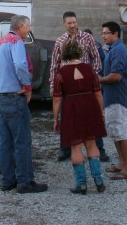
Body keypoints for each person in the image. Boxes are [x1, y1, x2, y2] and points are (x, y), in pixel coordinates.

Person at [0, 15, 48, 193]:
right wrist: (27, 86)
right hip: (14, 97)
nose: (30, 30)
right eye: (28, 27)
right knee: (22, 141)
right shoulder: (16, 42)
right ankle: (25, 182)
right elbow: (20, 64)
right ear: (20, 26)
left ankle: (8, 180)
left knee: (4, 141)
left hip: (1, 97)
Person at [52, 39, 108, 194]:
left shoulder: (61, 74)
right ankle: (98, 180)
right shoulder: (90, 69)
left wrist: (55, 118)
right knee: (92, 144)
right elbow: (98, 93)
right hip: (90, 106)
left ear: (64, 54)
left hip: (71, 108)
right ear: (79, 52)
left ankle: (81, 184)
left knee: (75, 147)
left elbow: (57, 98)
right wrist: (101, 112)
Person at [50, 12, 107, 162]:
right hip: (66, 84)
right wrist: (53, 85)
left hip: (85, 84)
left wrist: (91, 75)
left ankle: (100, 148)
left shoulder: (87, 38)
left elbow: (97, 59)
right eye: (69, 23)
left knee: (91, 116)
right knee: (66, 116)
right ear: (64, 24)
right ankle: (65, 148)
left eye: (74, 22)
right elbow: (54, 66)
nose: (73, 25)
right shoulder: (59, 41)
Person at [99, 21, 127, 180]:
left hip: (119, 99)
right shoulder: (113, 49)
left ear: (115, 34)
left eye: (106, 33)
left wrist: (98, 80)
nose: (103, 36)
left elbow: (116, 76)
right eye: (103, 33)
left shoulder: (119, 50)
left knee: (121, 133)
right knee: (115, 132)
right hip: (113, 98)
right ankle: (122, 163)